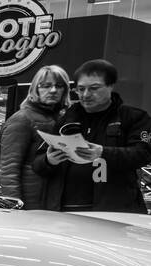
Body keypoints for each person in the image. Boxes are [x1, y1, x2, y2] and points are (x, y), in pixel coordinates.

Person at [34, 59, 151, 213]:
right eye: (81, 89)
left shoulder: (133, 117)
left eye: (94, 88)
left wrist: (103, 152)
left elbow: (143, 154)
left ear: (111, 86)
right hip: (65, 213)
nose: (86, 95)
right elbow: (37, 164)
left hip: (115, 212)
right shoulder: (66, 119)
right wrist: (49, 160)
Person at [0, 65, 70, 209]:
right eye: (46, 85)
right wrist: (16, 209)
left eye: (59, 86)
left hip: (56, 203)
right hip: (33, 206)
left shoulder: (64, 118)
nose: (53, 90)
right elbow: (9, 171)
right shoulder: (21, 119)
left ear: (65, 90)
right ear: (35, 89)